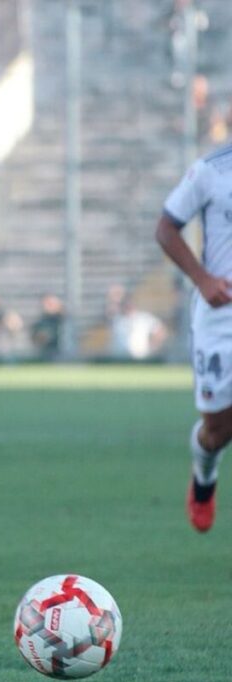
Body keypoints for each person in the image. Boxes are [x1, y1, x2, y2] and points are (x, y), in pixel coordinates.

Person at [156, 142, 232, 533]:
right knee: (218, 429)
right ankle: (204, 473)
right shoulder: (212, 170)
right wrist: (203, 281)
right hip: (222, 316)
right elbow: (166, 228)